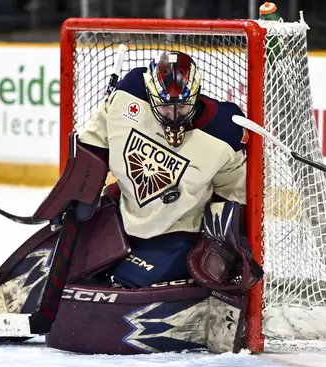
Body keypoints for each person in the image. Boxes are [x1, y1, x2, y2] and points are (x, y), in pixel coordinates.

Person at [79, 50, 248, 288]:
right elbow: (95, 142)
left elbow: (234, 192)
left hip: (178, 231)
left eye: (183, 106)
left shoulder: (223, 132)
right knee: (76, 270)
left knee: (126, 285)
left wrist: (224, 240)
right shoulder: (129, 96)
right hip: (121, 216)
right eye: (166, 107)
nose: (174, 114)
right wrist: (78, 189)